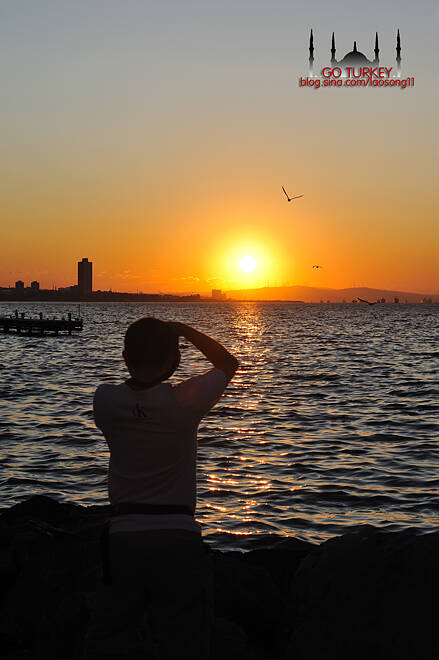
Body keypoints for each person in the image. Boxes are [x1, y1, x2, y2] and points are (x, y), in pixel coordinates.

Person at [84, 317, 239, 660]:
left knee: (109, 640)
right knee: (185, 643)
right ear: (174, 360)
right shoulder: (185, 402)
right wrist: (186, 330)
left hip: (122, 536)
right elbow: (228, 363)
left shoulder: (105, 400)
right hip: (177, 537)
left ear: (125, 358)